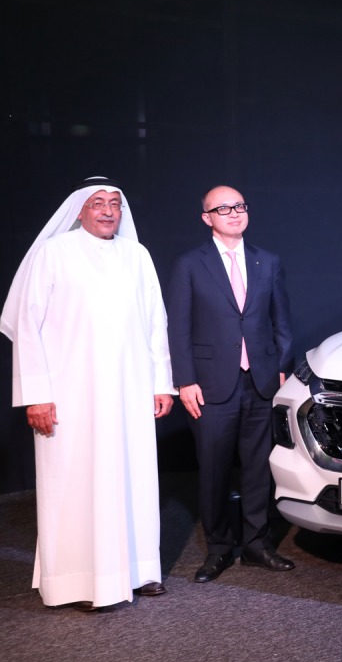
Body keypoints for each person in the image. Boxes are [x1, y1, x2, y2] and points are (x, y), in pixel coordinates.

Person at [1, 177, 174, 611]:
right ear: (79, 210)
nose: (108, 210)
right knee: (74, 485)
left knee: (133, 479)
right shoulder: (53, 252)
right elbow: (27, 326)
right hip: (70, 397)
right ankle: (77, 583)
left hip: (130, 393)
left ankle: (138, 572)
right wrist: (36, 395)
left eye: (115, 203)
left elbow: (156, 322)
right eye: (98, 203)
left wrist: (161, 382)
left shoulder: (137, 255)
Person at [166, 185, 296, 583]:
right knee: (214, 471)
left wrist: (281, 367)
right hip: (210, 385)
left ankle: (256, 544)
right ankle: (219, 549)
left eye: (239, 206)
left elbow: (282, 321)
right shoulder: (190, 264)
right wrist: (185, 380)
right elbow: (178, 328)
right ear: (207, 218)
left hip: (260, 381)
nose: (235, 212)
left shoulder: (267, 260)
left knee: (258, 469)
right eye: (224, 208)